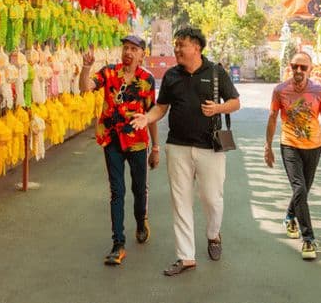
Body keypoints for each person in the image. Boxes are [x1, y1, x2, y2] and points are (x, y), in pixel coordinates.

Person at [131, 27, 240, 276]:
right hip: (177, 146)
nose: (177, 49)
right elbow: (161, 108)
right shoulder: (171, 76)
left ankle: (213, 235)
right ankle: (186, 256)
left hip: (209, 148)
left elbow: (235, 102)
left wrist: (218, 109)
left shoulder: (215, 72)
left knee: (212, 199)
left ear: (197, 47)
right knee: (181, 202)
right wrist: (146, 118)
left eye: (182, 44)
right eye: (176, 44)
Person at [79, 35, 160, 266]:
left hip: (137, 142)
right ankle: (118, 243)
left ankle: (140, 219)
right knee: (117, 191)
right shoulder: (108, 73)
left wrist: (155, 147)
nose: (128, 52)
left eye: (134, 49)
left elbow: (151, 115)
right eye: (126, 48)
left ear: (142, 54)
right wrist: (86, 68)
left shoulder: (146, 80)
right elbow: (86, 87)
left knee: (138, 189)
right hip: (112, 139)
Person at [264, 51, 321, 260]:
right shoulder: (280, 90)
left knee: (304, 190)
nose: (298, 71)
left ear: (310, 69)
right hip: (289, 144)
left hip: (314, 146)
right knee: (299, 187)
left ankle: (290, 216)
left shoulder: (319, 91)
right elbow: (272, 117)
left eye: (303, 67)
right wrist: (268, 146)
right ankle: (308, 239)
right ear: (290, 67)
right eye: (295, 66)